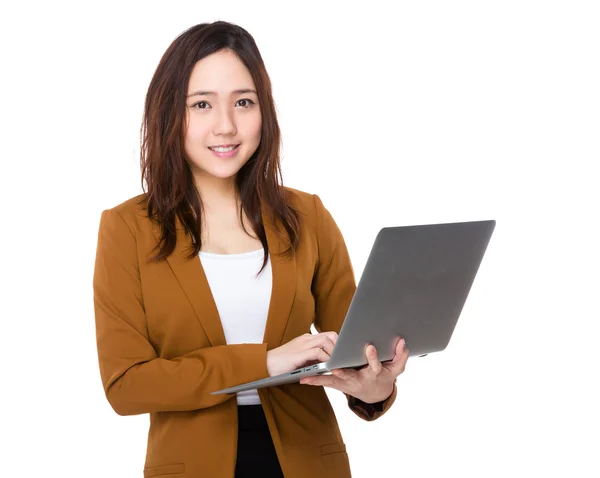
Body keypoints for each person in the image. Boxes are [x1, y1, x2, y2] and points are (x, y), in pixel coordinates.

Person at [93, 21, 409, 478]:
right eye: (201, 105)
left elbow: (359, 349)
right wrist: (262, 362)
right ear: (168, 115)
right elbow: (126, 385)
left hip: (308, 461)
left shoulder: (308, 215)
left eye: (244, 102)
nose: (226, 126)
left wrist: (375, 387)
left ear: (265, 111)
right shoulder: (127, 228)